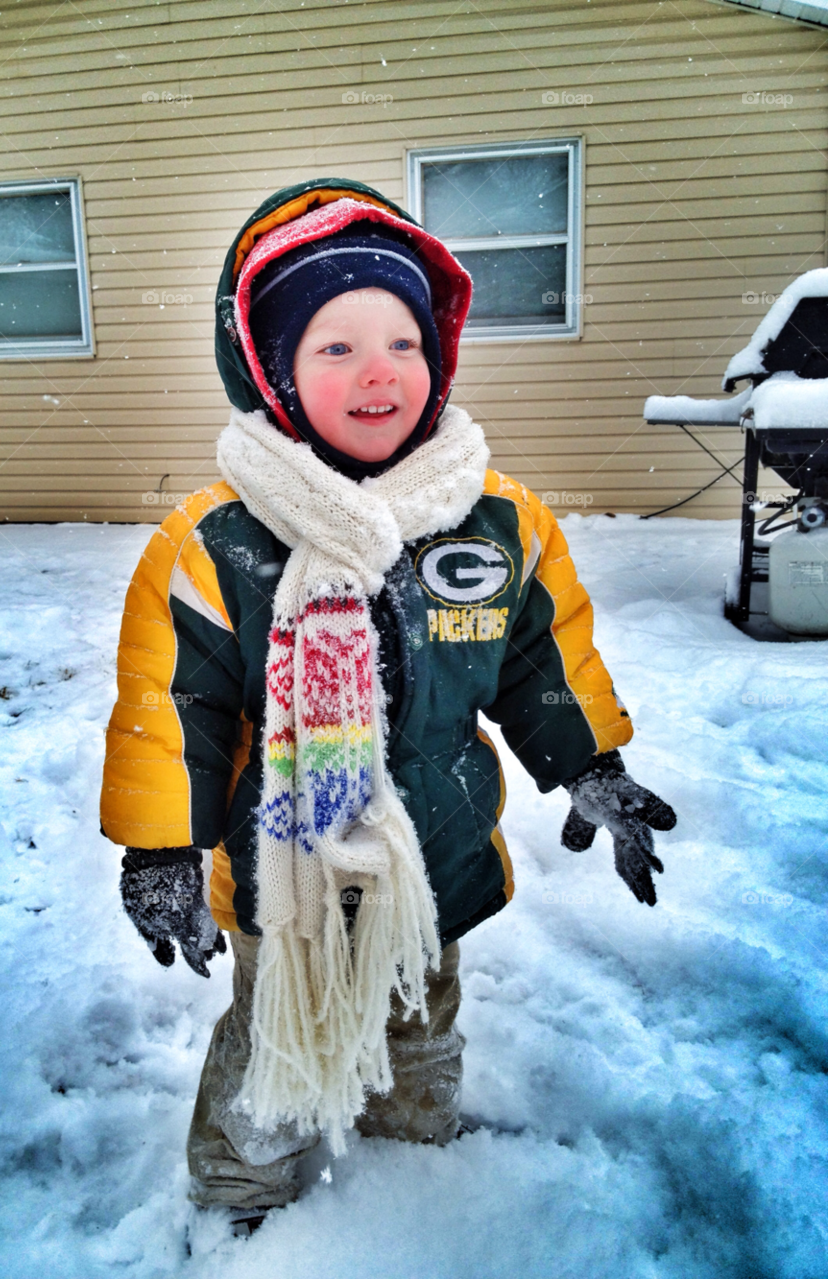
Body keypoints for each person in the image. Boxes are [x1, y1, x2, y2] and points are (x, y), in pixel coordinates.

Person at [100, 178, 676, 1235]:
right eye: (335, 347)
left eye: (403, 342)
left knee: (420, 1022)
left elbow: (542, 660)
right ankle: (243, 1188)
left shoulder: (498, 522)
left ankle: (417, 1159)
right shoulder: (213, 541)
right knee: (273, 1035)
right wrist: (159, 851)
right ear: (273, 373)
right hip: (282, 866)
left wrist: (591, 759)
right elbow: (174, 707)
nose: (379, 371)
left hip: (434, 863)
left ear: (439, 356)